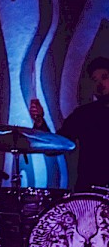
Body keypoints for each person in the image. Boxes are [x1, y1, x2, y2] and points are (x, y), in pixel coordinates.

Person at [30, 56, 109, 191]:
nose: (100, 84)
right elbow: (55, 147)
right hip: (88, 192)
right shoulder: (84, 114)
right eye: (95, 80)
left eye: (104, 77)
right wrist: (39, 121)